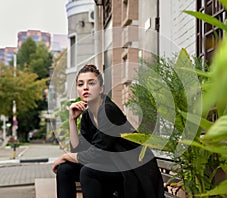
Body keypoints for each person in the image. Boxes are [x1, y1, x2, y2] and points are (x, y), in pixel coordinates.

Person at [52, 64, 164, 198]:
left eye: (91, 83)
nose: (85, 87)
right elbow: (78, 151)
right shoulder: (87, 115)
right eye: (80, 84)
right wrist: (72, 120)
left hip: (132, 169)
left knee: (88, 171)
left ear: (101, 89)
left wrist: (65, 156)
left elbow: (96, 153)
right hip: (111, 166)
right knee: (65, 170)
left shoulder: (108, 110)